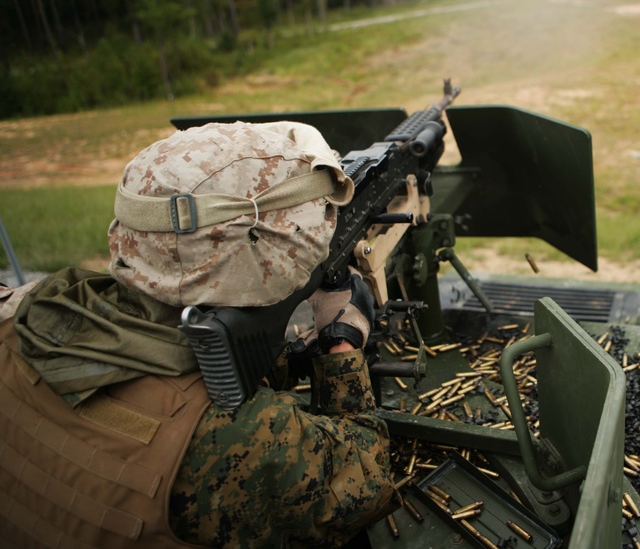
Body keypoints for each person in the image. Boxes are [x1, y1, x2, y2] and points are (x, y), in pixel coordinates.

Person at [0, 122, 395, 547]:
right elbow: (365, 481)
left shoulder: (21, 313)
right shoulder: (236, 440)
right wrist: (341, 340)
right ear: (257, 259)